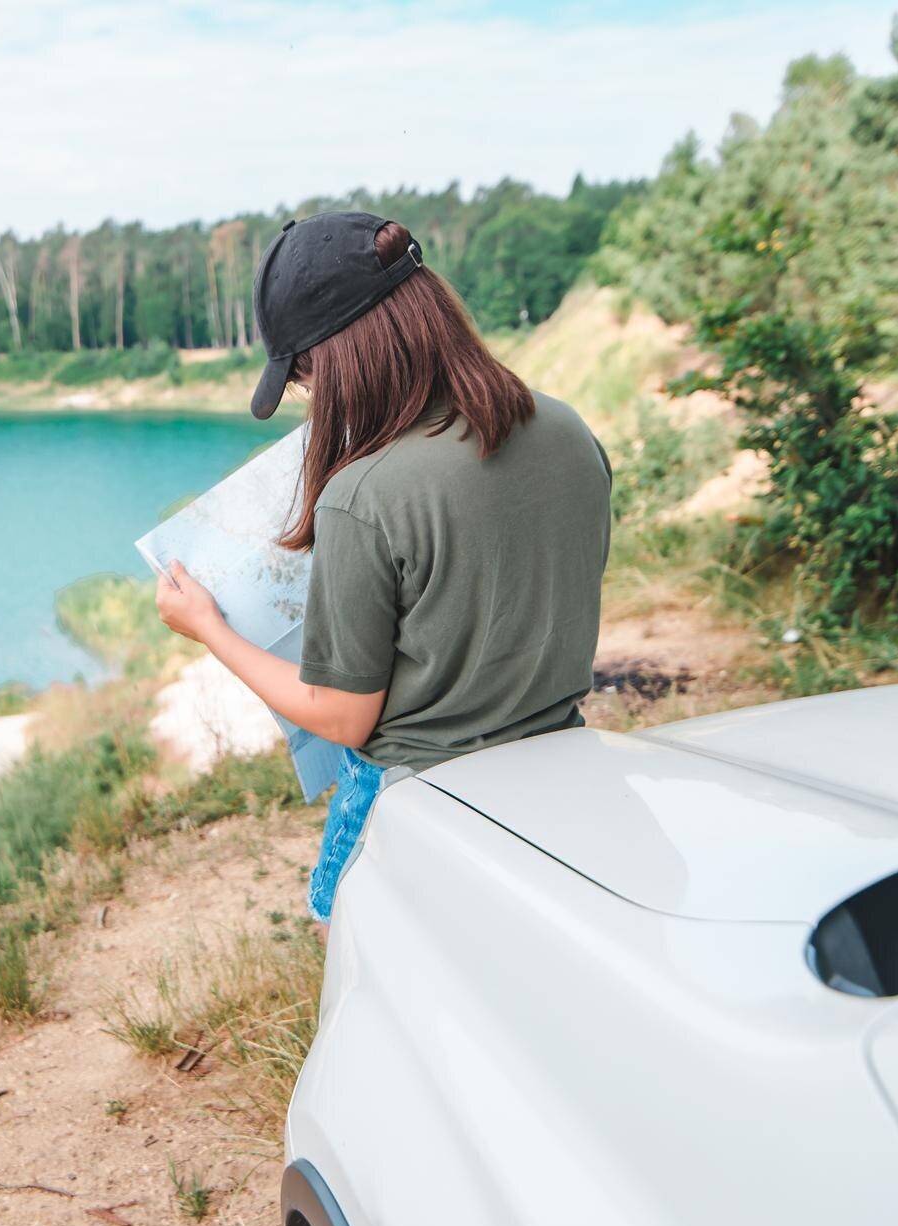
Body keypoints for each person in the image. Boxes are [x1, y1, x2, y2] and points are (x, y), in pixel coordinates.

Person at [155, 210, 611, 930]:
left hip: (419, 797)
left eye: (303, 376)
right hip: (561, 766)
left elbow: (342, 715)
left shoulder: (364, 496)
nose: (309, 396)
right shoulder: (566, 428)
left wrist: (210, 629)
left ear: (341, 358)